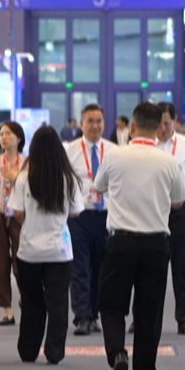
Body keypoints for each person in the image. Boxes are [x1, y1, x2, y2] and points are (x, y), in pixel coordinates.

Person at [93, 102, 185, 370]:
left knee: (111, 305)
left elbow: (99, 186)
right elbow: (179, 201)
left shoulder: (114, 155)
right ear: (159, 129)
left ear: (132, 127)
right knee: (149, 311)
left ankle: (118, 354)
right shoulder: (169, 161)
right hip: (156, 242)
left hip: (121, 240)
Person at [10, 125, 84, 364]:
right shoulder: (68, 178)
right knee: (58, 303)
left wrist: (33, 220)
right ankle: (54, 351)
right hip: (59, 250)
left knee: (31, 302)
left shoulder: (24, 177)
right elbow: (76, 211)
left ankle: (28, 350)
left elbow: (17, 212)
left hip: (29, 250)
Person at [155, 102, 185, 336]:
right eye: (159, 123)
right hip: (152, 210)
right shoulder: (146, 144)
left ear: (174, 121)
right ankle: (144, 317)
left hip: (178, 210)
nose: (162, 128)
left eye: (166, 123)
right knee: (151, 267)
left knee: (181, 265)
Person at [65, 103, 111, 337]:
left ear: (104, 123)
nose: (95, 125)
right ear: (81, 124)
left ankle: (94, 315)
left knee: (101, 270)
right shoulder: (70, 151)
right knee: (80, 268)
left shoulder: (114, 151)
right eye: (90, 121)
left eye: (99, 121)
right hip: (79, 217)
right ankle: (82, 316)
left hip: (106, 217)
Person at [0, 121, 25, 326]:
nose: (4, 137)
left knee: (22, 261)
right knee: (0, 264)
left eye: (8, 134)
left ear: (19, 138)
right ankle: (7, 311)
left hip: (20, 215)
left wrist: (15, 176)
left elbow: (31, 188)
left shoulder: (27, 163)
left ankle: (26, 299)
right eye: (1, 134)